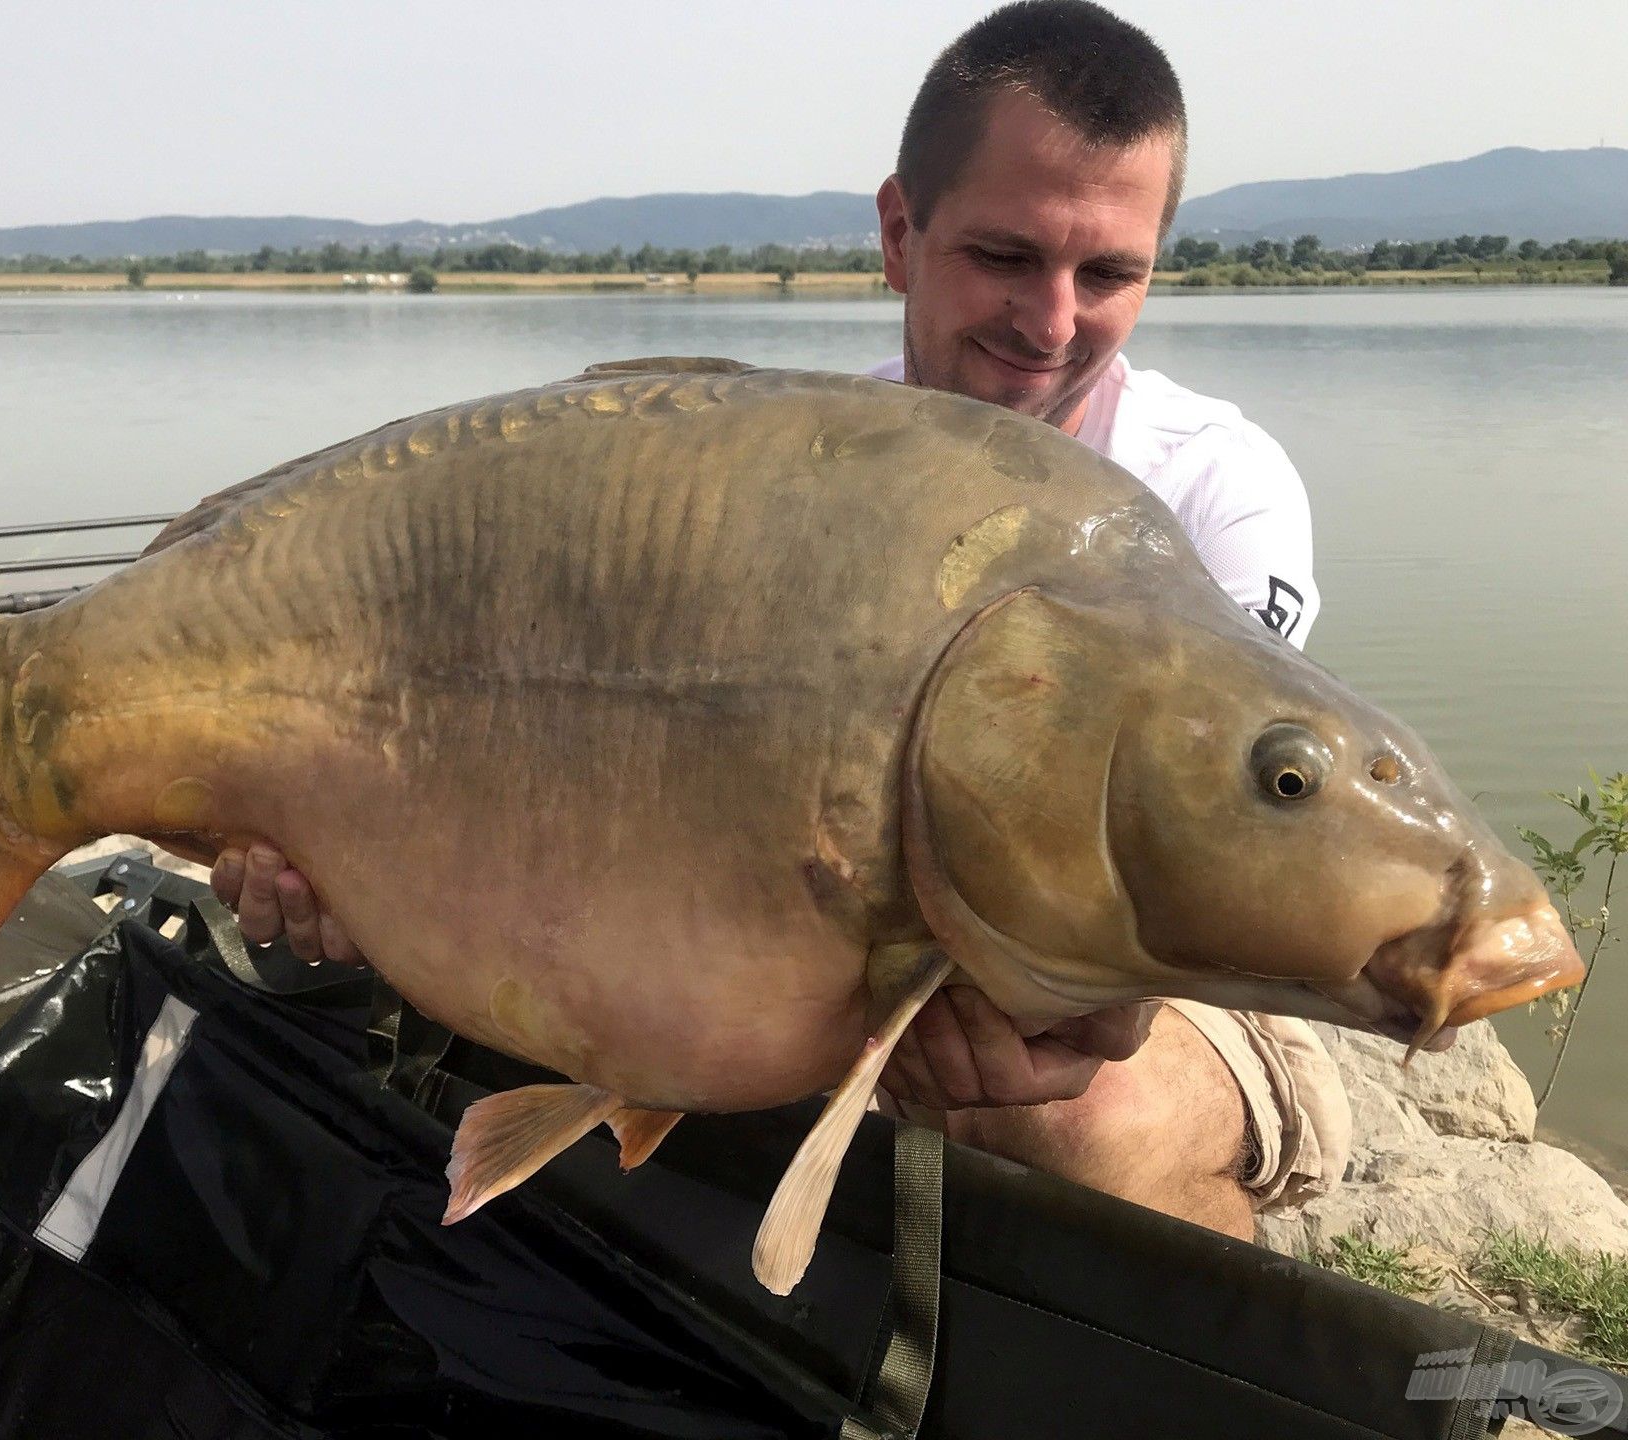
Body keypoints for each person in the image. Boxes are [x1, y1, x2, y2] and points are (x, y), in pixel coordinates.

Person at [209, 0, 1351, 1244]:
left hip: (1157, 979)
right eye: (1007, 257)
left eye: (1110, 272)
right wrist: (357, 867)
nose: (1054, 321)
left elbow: (1204, 847)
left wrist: (1100, 992)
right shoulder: (782, 474)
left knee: (1079, 1119)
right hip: (821, 945)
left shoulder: (1214, 488)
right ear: (901, 233)